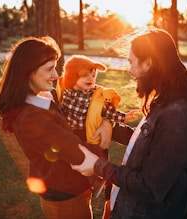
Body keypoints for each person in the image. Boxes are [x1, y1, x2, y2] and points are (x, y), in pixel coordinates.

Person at [71, 28, 187, 219]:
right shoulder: (168, 101)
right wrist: (111, 128)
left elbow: (150, 186)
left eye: (131, 62)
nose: (128, 69)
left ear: (149, 63)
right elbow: (152, 146)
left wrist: (98, 166)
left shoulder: (178, 116)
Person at [0, 36, 113, 219]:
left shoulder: (43, 98)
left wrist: (106, 121)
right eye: (49, 69)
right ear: (28, 72)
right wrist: (103, 144)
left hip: (69, 188)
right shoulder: (30, 118)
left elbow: (75, 123)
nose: (56, 75)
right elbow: (78, 153)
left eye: (55, 67)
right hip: (65, 197)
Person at [56, 55, 138, 198]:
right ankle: (94, 181)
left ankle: (136, 139)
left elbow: (109, 111)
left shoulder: (97, 95)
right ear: (72, 77)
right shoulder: (64, 93)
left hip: (91, 130)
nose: (91, 79)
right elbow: (59, 111)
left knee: (98, 155)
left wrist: (124, 116)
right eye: (85, 76)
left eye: (93, 75)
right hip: (74, 133)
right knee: (74, 158)